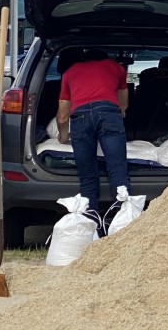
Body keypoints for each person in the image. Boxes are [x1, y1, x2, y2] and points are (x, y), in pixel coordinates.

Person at [56, 48, 131, 211]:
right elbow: (123, 104)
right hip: (109, 114)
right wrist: (119, 111)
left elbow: (62, 116)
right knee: (117, 170)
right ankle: (124, 224)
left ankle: (91, 223)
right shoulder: (116, 68)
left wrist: (63, 137)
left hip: (80, 117)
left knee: (88, 177)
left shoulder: (69, 73)